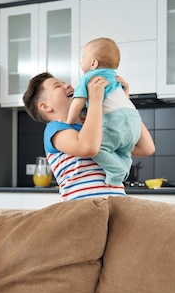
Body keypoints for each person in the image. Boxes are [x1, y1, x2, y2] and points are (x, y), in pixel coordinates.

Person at [23, 72, 155, 201]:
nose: (68, 85)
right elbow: (88, 148)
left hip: (115, 206)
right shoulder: (55, 129)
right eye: (57, 86)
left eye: (65, 83)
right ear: (45, 106)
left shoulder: (98, 125)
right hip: (83, 209)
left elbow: (146, 148)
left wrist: (123, 104)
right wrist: (95, 101)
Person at [65, 37, 142, 187]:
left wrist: (68, 122)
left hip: (116, 120)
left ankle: (118, 172)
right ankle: (124, 168)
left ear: (93, 63)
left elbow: (77, 103)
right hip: (134, 120)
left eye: (83, 58)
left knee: (96, 147)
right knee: (123, 150)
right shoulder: (114, 76)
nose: (81, 62)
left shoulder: (89, 77)